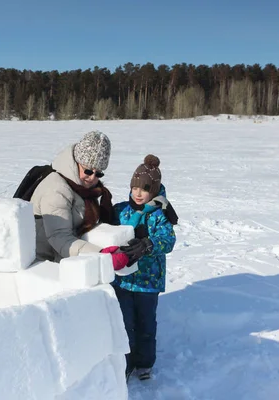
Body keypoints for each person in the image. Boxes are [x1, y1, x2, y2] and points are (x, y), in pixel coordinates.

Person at [112, 154, 177, 381]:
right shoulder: (121, 211)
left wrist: (149, 243)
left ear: (155, 190)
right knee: (125, 325)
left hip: (148, 283)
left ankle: (145, 363)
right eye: (134, 188)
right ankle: (126, 364)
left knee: (146, 325)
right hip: (122, 280)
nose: (138, 193)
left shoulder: (160, 214)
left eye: (144, 189)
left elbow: (168, 241)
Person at [30, 130, 129, 269]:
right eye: (88, 171)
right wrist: (100, 255)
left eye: (99, 173)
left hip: (65, 260)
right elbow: (59, 237)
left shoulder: (84, 188)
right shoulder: (57, 189)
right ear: (77, 162)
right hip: (43, 266)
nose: (92, 177)